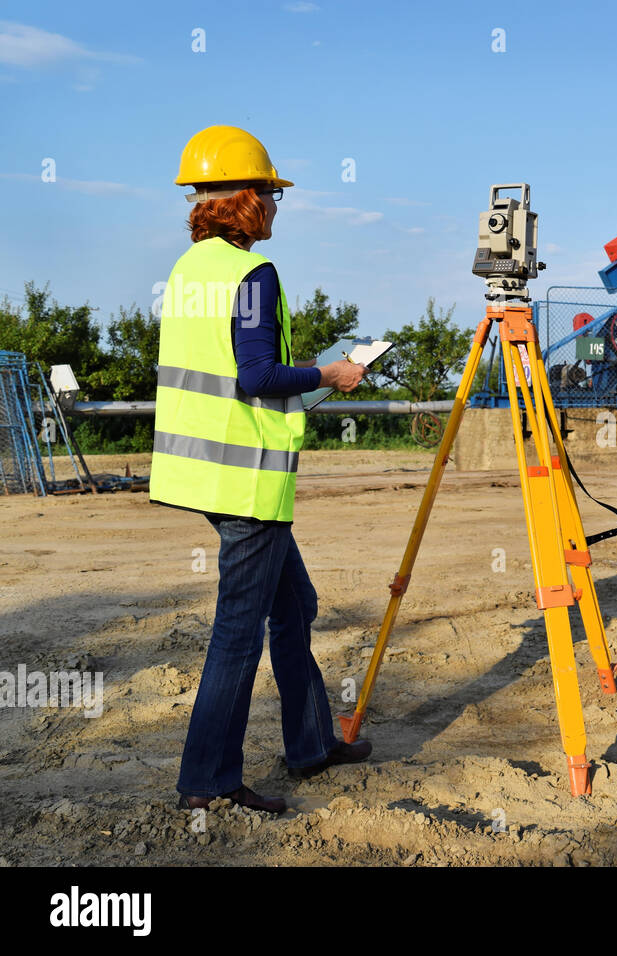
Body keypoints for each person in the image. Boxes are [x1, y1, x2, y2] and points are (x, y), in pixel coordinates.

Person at [151, 125, 371, 813]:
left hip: (203, 472)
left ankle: (310, 745)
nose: (277, 205)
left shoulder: (189, 271)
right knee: (238, 635)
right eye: (272, 193)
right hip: (248, 480)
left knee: (294, 605)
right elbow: (255, 376)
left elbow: (220, 372)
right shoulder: (253, 275)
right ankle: (207, 783)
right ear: (245, 199)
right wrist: (330, 373)